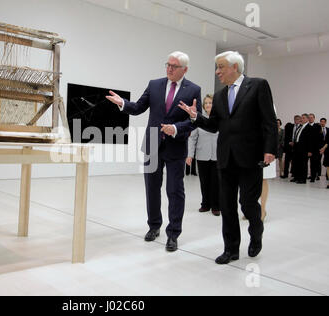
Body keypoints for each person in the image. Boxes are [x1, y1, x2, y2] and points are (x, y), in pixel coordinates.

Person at [179, 51, 277, 265]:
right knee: (227, 205)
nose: (217, 71)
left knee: (247, 202)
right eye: (216, 67)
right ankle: (231, 249)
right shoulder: (220, 95)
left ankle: (256, 229)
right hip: (226, 158)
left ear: (234, 67)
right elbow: (214, 125)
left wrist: (270, 149)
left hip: (250, 157)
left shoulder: (258, 85)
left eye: (221, 67)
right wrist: (196, 117)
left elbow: (269, 120)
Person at [106, 51, 202, 252]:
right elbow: (139, 107)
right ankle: (154, 226)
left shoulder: (193, 89)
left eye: (174, 66)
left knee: (175, 191)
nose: (169, 69)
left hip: (176, 145)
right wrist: (122, 103)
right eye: (167, 64)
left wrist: (175, 129)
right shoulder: (154, 84)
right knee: (152, 188)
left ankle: (173, 233)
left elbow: (194, 120)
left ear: (185, 69)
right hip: (151, 144)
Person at [187, 94, 220, 216]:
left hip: (217, 156)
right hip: (202, 155)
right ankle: (205, 204)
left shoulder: (220, 119)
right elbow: (192, 138)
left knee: (216, 182)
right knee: (204, 181)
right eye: (206, 103)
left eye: (210, 103)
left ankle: (216, 206)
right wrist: (190, 155)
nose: (208, 105)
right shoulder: (199, 119)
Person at [292, 114, 312, 184]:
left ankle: (303, 179)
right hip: (297, 147)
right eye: (301, 118)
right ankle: (297, 177)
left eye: (303, 118)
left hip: (304, 149)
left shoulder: (309, 127)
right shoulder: (301, 126)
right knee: (297, 163)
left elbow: (310, 140)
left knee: (303, 164)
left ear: (307, 119)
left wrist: (309, 150)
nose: (301, 119)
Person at [308, 114, 322, 182]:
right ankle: (307, 175)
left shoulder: (317, 126)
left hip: (315, 149)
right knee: (305, 163)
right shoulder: (306, 126)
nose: (310, 119)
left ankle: (313, 177)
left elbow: (318, 138)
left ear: (314, 118)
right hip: (306, 148)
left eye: (311, 118)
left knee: (314, 164)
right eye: (309, 118)